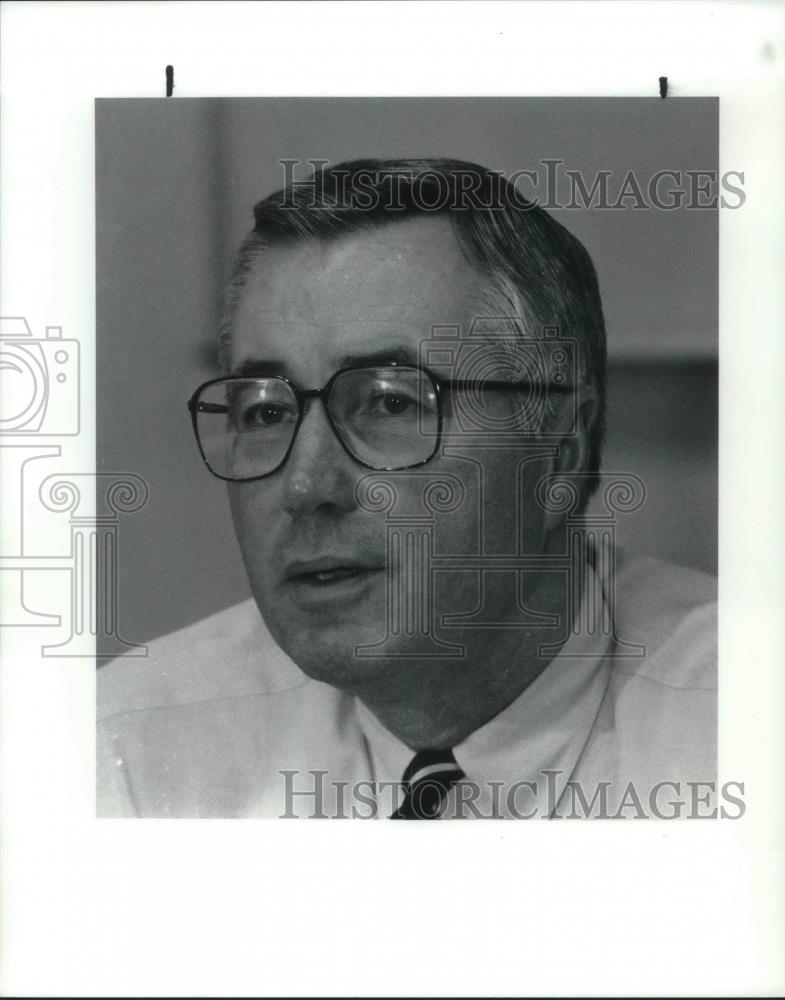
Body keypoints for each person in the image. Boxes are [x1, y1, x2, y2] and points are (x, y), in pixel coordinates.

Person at [97, 159, 717, 820]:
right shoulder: (128, 746)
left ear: (559, 455)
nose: (306, 484)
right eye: (266, 411)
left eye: (390, 404)